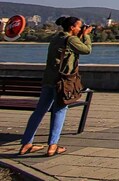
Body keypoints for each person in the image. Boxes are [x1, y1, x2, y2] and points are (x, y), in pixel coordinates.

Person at [18, 16, 93, 156]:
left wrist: (81, 34)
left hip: (49, 80)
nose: (80, 28)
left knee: (39, 112)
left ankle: (26, 143)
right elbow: (87, 50)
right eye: (79, 26)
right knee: (59, 111)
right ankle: (53, 145)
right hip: (62, 82)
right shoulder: (71, 39)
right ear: (72, 27)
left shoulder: (55, 38)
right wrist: (86, 36)